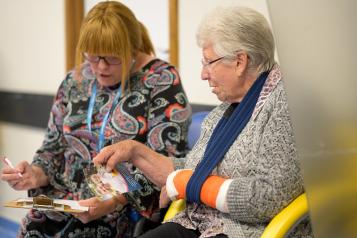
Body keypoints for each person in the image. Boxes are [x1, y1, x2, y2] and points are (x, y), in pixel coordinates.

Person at [93, 6, 313, 238]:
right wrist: (135, 151)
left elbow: (269, 197)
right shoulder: (226, 110)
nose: (203, 74)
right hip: (197, 224)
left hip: (245, 231)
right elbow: (192, 170)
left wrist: (189, 183)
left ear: (240, 61)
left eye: (209, 62)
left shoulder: (286, 103)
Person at [0, 1, 191, 237]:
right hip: (64, 203)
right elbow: (52, 148)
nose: (100, 67)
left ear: (132, 48)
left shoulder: (161, 80)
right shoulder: (75, 80)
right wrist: (34, 174)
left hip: (124, 210)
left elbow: (164, 163)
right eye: (93, 56)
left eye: (112, 58)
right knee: (33, 227)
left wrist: (113, 202)